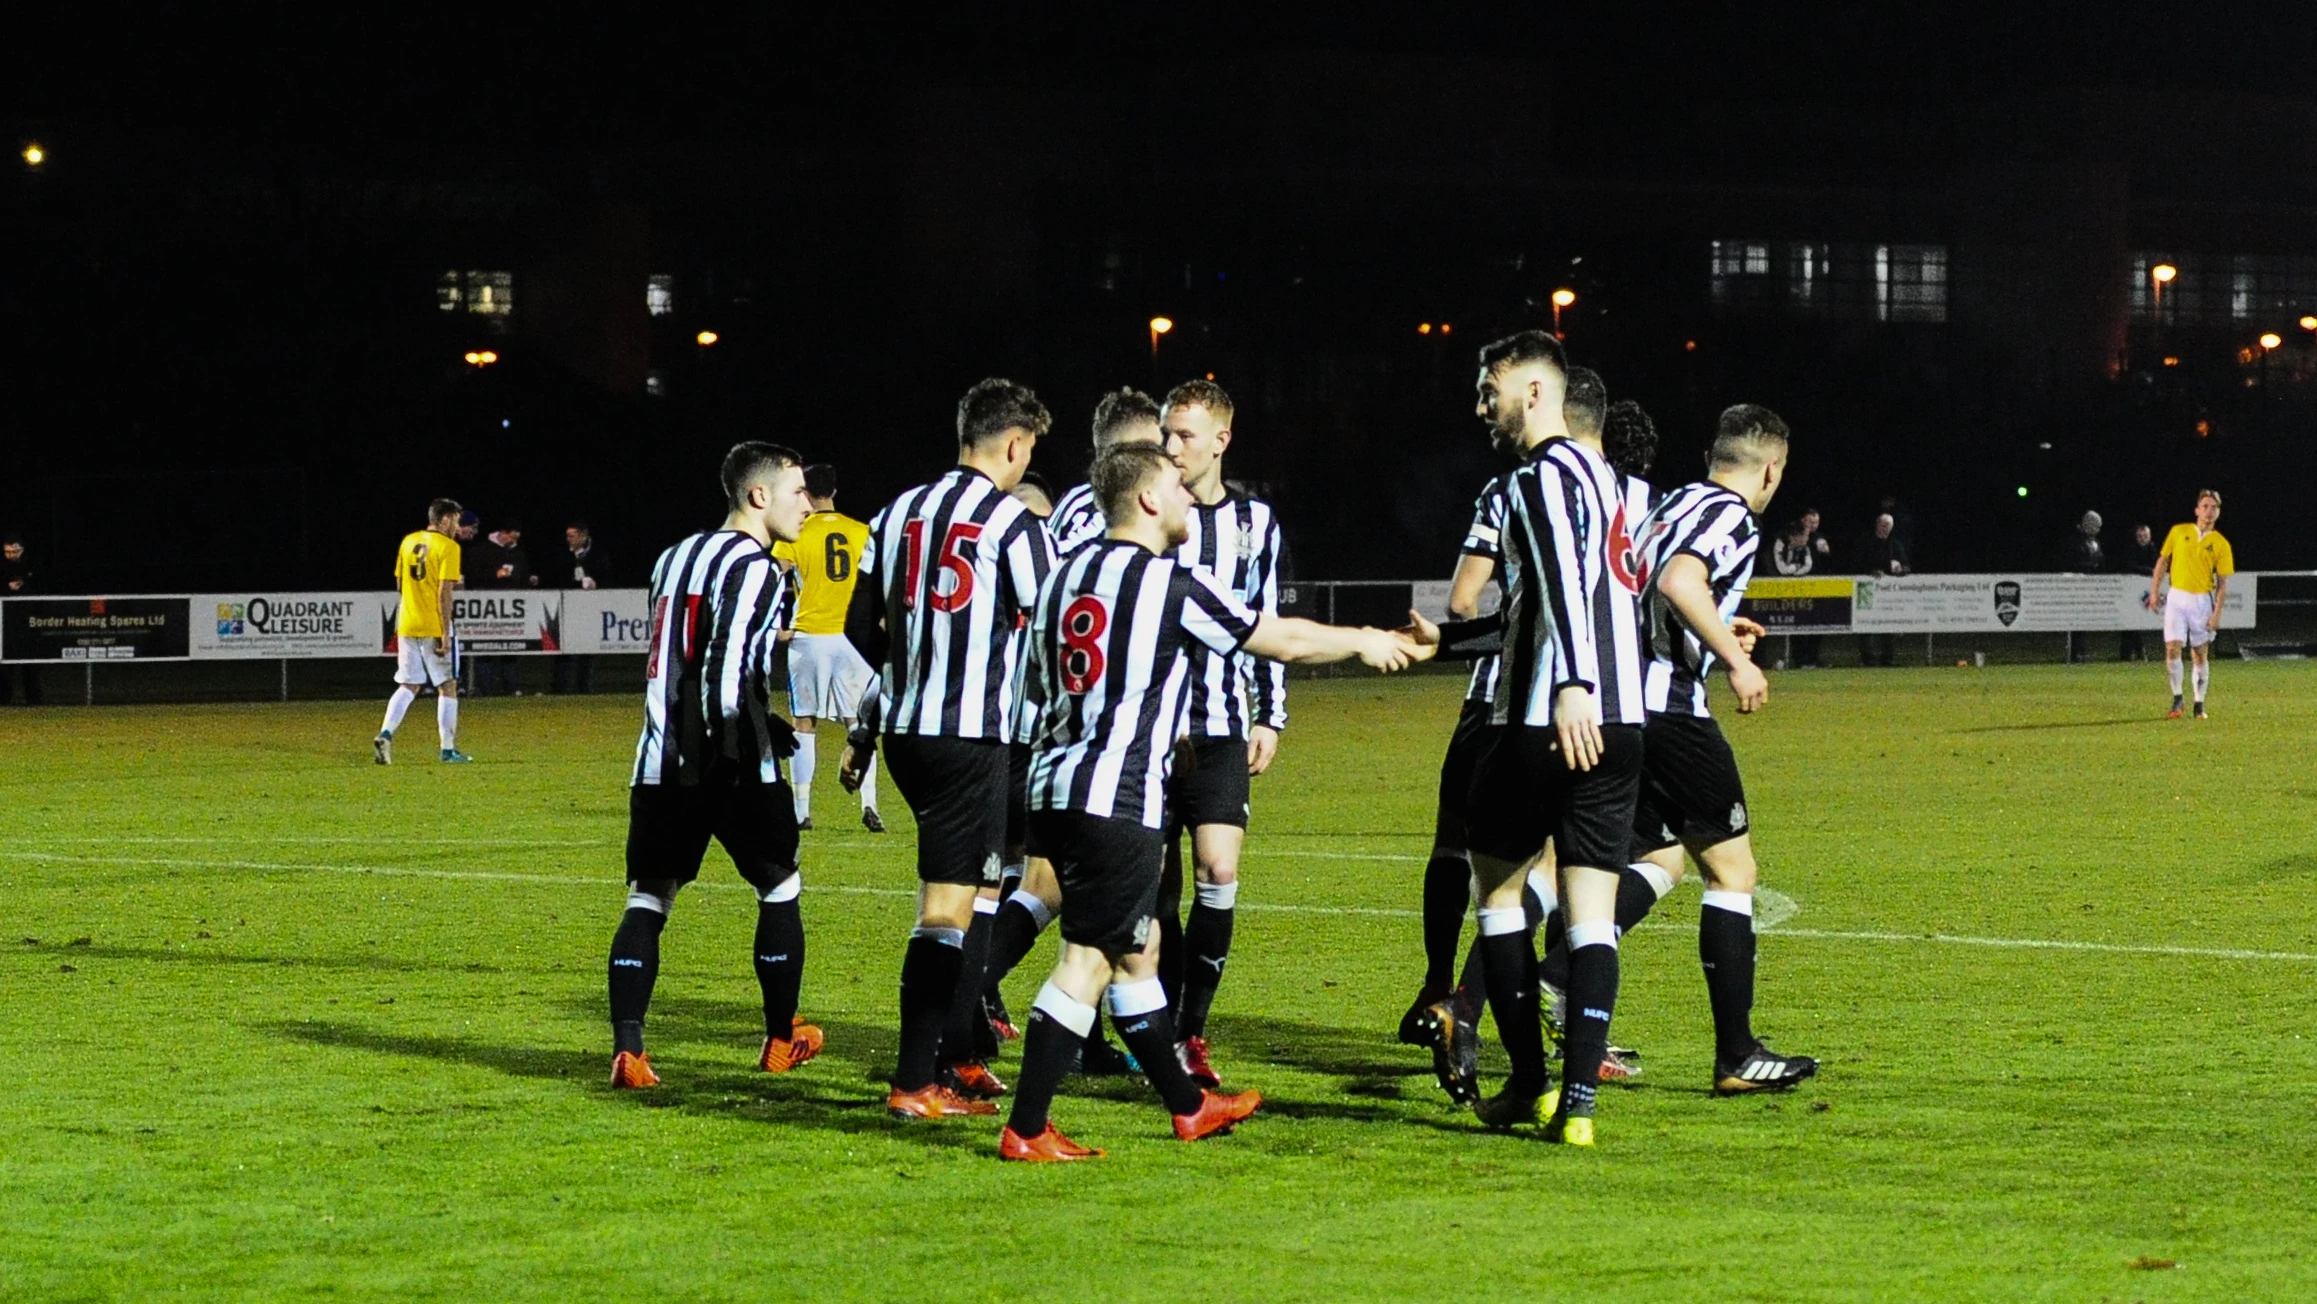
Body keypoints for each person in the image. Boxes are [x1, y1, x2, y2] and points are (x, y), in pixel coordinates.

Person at [998, 441, 1431, 1161]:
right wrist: (1363, 638)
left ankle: (1188, 1105)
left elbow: (1035, 688)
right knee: (1086, 961)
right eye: (1175, 486)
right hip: (1118, 796)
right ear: (1147, 499)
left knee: (1138, 954)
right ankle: (1027, 1126)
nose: (1188, 499)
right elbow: (1278, 639)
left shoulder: (1063, 574)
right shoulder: (1167, 583)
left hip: (1053, 786)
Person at [842, 377, 1056, 1120]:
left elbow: (856, 624)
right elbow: (1049, 623)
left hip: (907, 729)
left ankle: (957, 1055)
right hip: (970, 736)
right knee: (946, 909)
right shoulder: (1012, 522)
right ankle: (914, 1081)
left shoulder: (896, 511)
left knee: (978, 892)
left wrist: (911, 671)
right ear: (1014, 444)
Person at [1459, 329, 1648, 1147]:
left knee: (1498, 893)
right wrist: (1445, 639)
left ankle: (1529, 1082)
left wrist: (1571, 682)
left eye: (1489, 389)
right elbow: (1572, 595)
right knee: (1590, 914)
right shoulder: (1608, 479)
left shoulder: (1536, 477)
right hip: (1622, 718)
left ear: (1533, 391)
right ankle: (1577, 1108)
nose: (1481, 405)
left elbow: (1565, 588)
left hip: (1545, 716)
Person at [605, 442, 823, 1089]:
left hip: (659, 758)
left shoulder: (672, 557)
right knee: (779, 886)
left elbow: (680, 656)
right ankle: (780, 1037)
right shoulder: (759, 568)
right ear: (758, 496)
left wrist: (763, 715)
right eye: (798, 492)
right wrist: (743, 740)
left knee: (649, 898)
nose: (808, 506)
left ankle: (628, 1049)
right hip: (729, 760)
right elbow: (724, 675)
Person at [971, 387, 1172, 1080]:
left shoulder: (1064, 515)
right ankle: (972, 999)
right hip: (1096, 731)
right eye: (1157, 447)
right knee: (1082, 894)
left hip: (1043, 719)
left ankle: (1073, 1034)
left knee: (1057, 889)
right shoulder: (1121, 521)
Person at [1627, 404, 1819, 1094]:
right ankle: (1736, 1054)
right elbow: (1679, 583)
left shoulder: (1670, 505)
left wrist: (1714, 633)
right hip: (1671, 712)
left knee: (1654, 859)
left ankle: (1551, 978)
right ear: (1770, 469)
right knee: (1732, 873)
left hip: (1620, 709)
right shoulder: (1731, 516)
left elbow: (1645, 593)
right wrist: (1734, 662)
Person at [1152, 378, 1289, 1088]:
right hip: (1149, 730)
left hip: (1221, 724)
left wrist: (1270, 714)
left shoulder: (1255, 524)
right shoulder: (1150, 509)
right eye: (1165, 433)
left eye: (1183, 434)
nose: (1171, 445)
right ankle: (1153, 1022)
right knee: (1156, 889)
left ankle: (1191, 1031)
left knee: (1219, 870)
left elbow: (1265, 621)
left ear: (1220, 440)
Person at [772, 465, 881, 833]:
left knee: (804, 723)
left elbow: (771, 576)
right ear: (834, 490)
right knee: (859, 723)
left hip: (809, 637)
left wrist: (774, 626)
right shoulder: (861, 531)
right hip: (853, 639)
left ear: (805, 493)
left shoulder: (795, 531)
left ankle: (801, 812)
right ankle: (870, 804)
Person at [374, 499, 470, 765]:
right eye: (456, 520)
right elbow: (444, 593)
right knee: (448, 685)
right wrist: (444, 631)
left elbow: (400, 583)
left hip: (407, 623)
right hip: (433, 625)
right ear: (445, 519)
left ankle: (385, 734)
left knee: (409, 684)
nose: (457, 526)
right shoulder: (448, 547)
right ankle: (448, 750)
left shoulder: (408, 541)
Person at [1049, 388, 1165, 556]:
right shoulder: (1102, 516)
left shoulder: (1072, 497)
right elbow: (1052, 565)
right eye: (1151, 453)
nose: (1163, 461)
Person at [2150, 490, 2234, 720]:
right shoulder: (2179, 531)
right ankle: (2178, 697)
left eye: (2214, 508)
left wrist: (2216, 614)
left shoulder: (2221, 544)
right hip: (2177, 597)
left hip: (2201, 601)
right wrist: (2155, 592)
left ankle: (2199, 703)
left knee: (2199, 653)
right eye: (2205, 506)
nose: (2209, 511)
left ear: (2218, 513)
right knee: (2172, 647)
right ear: (2197, 510)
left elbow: (2222, 583)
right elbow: (2163, 561)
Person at [470, 521, 534, 697]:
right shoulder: (481, 550)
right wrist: (494, 575)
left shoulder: (517, 552)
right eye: (511, 538)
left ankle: (511, 688)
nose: (513, 542)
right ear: (503, 533)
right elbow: (473, 576)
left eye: (516, 539)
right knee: (485, 649)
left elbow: (523, 574)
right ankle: (486, 689)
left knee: (511, 648)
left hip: (510, 609)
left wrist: (528, 580)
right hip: (487, 609)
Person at [553, 521, 613, 695]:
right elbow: (556, 577)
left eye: (572, 535)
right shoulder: (563, 554)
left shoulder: (598, 554)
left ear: (583, 535)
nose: (569, 539)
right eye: (567, 536)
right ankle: (561, 689)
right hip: (567, 610)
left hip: (590, 611)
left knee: (587, 651)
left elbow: (608, 577)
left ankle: (585, 689)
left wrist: (596, 583)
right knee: (564, 651)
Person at [1856, 513, 1910, 667]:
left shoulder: (1895, 544)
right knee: (1866, 624)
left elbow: (1906, 565)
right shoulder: (1864, 541)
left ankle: (1888, 659)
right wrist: (1871, 571)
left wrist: (1901, 570)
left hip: (1888, 593)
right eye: (1883, 525)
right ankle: (1867, 659)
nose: (1885, 528)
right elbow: (1856, 563)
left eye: (1888, 526)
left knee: (1888, 624)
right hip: (1866, 589)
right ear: (1877, 524)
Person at [1770, 517, 1824, 668]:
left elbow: (1808, 566)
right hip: (1771, 590)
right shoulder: (1780, 543)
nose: (1807, 539)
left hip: (1797, 590)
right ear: (1794, 536)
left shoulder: (1805, 548)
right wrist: (1792, 569)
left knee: (1806, 622)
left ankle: (1806, 660)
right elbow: (1780, 568)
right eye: (1804, 536)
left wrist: (1795, 571)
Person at [2060, 511, 2106, 663]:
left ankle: (2081, 651)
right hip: (2076, 586)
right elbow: (2069, 562)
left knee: (2084, 620)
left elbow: (2100, 560)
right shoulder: (2075, 541)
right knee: (2076, 620)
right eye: (2096, 526)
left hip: (2089, 587)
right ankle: (2074, 653)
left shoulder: (2095, 542)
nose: (2098, 529)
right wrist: (2089, 567)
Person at [1, 534, 38, 705]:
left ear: (21, 550)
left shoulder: (30, 566)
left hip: (27, 622)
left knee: (30, 663)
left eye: (13, 552)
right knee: (5, 664)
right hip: (5, 623)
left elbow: (40, 587)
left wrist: (24, 585)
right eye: (7, 552)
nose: (10, 555)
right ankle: (4, 699)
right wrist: (6, 587)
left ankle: (34, 700)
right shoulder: (2, 568)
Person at [2119, 523, 2159, 662]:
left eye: (2145, 536)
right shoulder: (2130, 549)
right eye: (2140, 536)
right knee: (2129, 621)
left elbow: (2157, 567)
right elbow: (2129, 566)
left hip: (2146, 592)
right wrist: (2148, 571)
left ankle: (2138, 651)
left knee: (2138, 622)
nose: (2142, 539)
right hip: (2130, 592)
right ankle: (2129, 652)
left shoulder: (2152, 549)